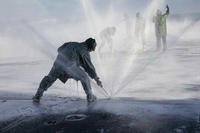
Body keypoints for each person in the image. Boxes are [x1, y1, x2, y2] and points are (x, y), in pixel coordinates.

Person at [32, 38, 103, 103]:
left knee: (49, 79)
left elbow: (59, 49)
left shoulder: (70, 43)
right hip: (70, 67)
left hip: (58, 63)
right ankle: (90, 97)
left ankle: (37, 96)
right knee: (85, 77)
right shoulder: (85, 51)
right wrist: (97, 79)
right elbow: (89, 67)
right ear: (89, 47)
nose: (90, 51)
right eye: (91, 50)